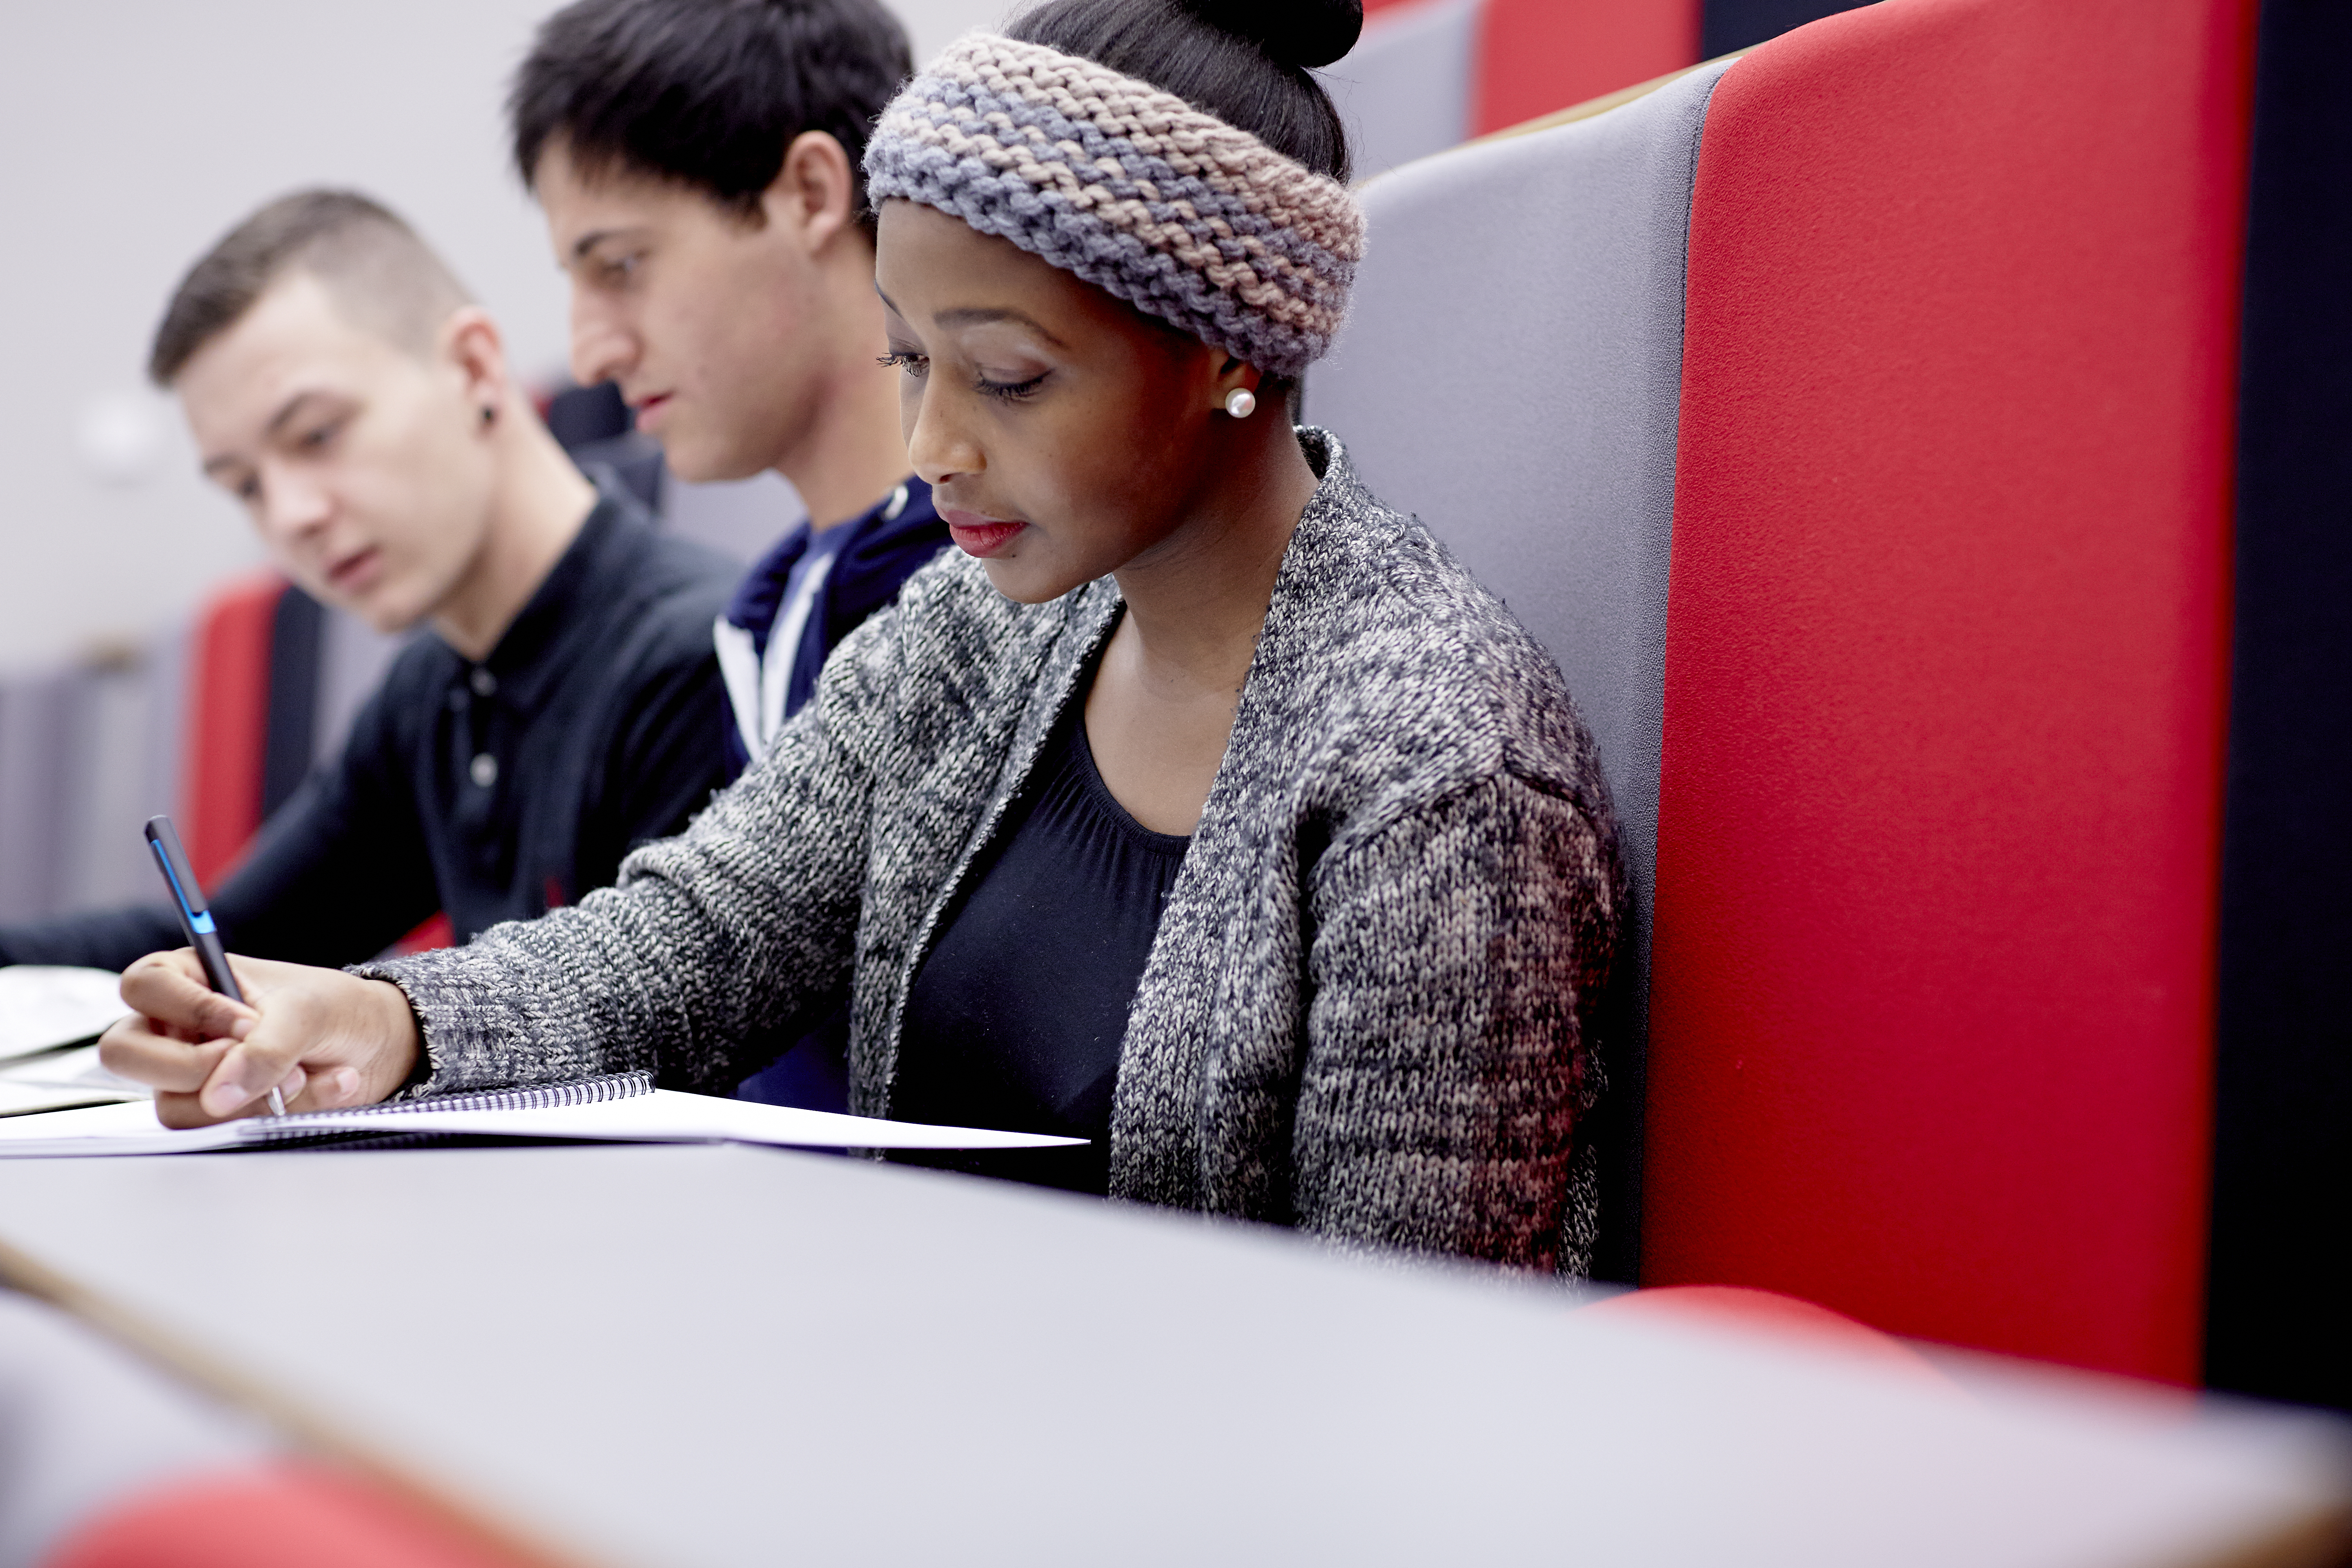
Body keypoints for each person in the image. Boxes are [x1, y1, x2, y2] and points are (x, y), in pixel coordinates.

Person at [101, 0, 1628, 1274]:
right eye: (910, 360)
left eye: (1008, 378)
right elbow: (704, 935)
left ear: (1229, 354)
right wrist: (379, 1019)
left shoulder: (1436, 768)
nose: (936, 444)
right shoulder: (974, 625)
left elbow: (1412, 1362)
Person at [0, 191, 738, 972]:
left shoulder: (690, 662)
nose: (290, 515)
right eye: (245, 485)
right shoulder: (437, 688)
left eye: (318, 435)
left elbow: (652, 1042)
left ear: (474, 367)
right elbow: (234, 945)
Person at [509, 0, 956, 1107]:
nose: (590, 349)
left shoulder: (998, 580)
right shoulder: (771, 609)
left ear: (808, 193)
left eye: (620, 265)